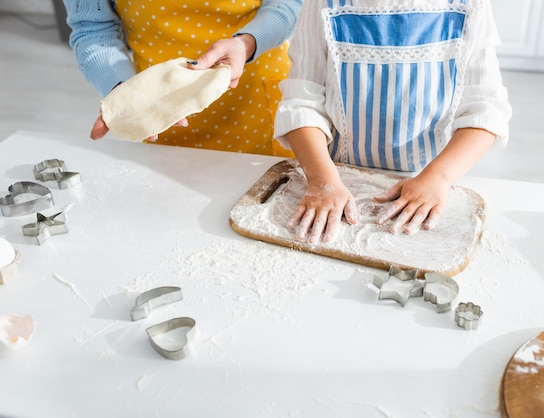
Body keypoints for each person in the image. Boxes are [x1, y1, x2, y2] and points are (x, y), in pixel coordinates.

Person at [274, 0, 512, 243]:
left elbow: (485, 111)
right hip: (335, 178)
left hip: (429, 182)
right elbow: (302, 103)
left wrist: (438, 177)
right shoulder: (323, 4)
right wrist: (322, 180)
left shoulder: (468, 5)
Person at [63, 0, 302, 156]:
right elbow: (91, 29)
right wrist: (123, 90)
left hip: (258, 99)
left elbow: (289, 3)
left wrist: (246, 43)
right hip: (163, 107)